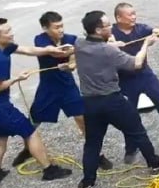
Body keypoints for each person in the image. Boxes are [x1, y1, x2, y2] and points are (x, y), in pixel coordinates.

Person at [74, 10, 159, 188]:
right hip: (112, 100)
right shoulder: (109, 51)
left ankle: (87, 182)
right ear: (98, 29)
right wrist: (145, 45)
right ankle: (154, 163)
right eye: (108, 25)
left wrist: (113, 44)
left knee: (92, 143)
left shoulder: (79, 44)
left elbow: (98, 49)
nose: (111, 28)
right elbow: (136, 63)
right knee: (137, 131)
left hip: (89, 103)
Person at [0, 18, 73, 186]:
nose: (12, 33)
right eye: (7, 32)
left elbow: (26, 49)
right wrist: (17, 79)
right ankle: (49, 170)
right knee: (30, 132)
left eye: (10, 29)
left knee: (1, 137)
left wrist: (48, 50)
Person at [10, 11, 113, 170]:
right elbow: (51, 50)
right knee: (33, 121)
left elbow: (75, 57)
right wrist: (67, 51)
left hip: (67, 86)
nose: (61, 30)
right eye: (56, 27)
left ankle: (97, 155)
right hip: (47, 87)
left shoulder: (71, 39)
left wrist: (71, 63)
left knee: (83, 120)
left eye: (62, 25)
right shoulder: (40, 39)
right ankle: (29, 149)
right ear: (45, 28)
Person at [111, 2, 159, 163]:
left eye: (134, 13)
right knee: (129, 115)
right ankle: (131, 148)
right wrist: (111, 44)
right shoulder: (111, 33)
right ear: (119, 17)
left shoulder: (141, 28)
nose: (134, 17)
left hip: (145, 74)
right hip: (125, 80)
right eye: (130, 14)